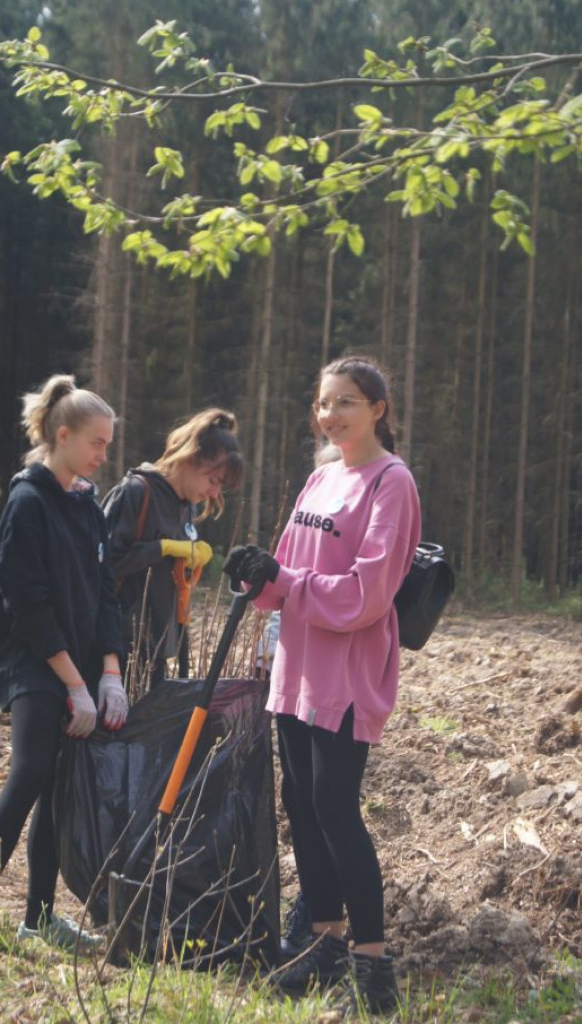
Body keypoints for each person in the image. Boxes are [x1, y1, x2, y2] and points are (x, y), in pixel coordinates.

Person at [225, 355, 421, 1017]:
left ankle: (372, 964)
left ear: (378, 411)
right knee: (302, 806)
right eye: (324, 402)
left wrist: (287, 586)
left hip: (347, 668)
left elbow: (367, 594)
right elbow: (286, 575)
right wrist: (259, 572)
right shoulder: (320, 478)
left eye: (346, 402)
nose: (330, 414)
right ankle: (323, 942)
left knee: (336, 807)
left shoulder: (391, 484)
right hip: (297, 665)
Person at [0, 374, 126, 952]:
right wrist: (72, 684)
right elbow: (27, 603)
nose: (104, 454)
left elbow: (104, 594)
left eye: (108, 444)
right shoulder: (27, 502)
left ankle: (40, 917)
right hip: (33, 663)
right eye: (96, 443)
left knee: (58, 790)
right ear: (62, 434)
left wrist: (110, 674)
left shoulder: (86, 506)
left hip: (77, 667)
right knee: (29, 773)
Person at [103, 408, 243, 691]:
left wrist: (188, 562)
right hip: (115, 647)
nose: (214, 494)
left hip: (156, 648)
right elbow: (103, 566)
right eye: (212, 480)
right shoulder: (135, 492)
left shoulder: (187, 505)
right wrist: (162, 548)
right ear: (189, 459)